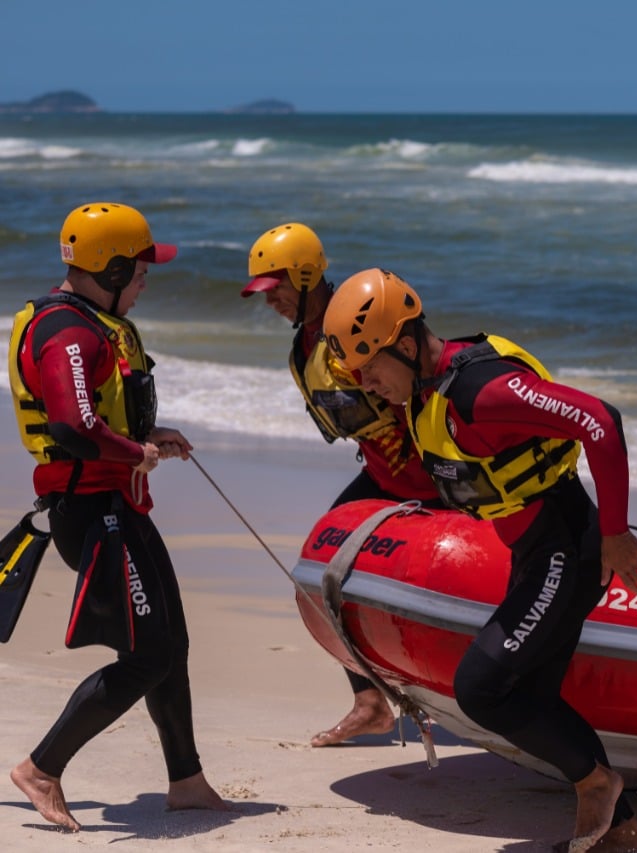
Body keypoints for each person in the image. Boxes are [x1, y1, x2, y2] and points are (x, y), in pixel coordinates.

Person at [322, 268, 637, 852]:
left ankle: (599, 783)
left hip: (564, 549)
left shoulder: (483, 390)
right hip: (536, 555)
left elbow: (600, 422)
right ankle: (621, 835)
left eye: (372, 372)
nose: (370, 386)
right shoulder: (429, 393)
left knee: (484, 689)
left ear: (404, 345)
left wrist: (615, 533)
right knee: (533, 697)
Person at [6, 202, 229, 830]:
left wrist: (150, 432)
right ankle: (41, 769)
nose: (145, 280)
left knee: (172, 643)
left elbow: (94, 414)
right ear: (110, 269)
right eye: (139, 270)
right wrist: (138, 452)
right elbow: (72, 425)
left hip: (118, 503)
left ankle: (186, 780)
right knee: (148, 653)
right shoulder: (70, 332)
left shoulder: (91, 320)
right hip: (91, 511)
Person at [243, 222, 444, 748]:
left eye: (277, 289)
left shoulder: (359, 325)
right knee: (317, 577)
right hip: (379, 477)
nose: (272, 302)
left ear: (306, 275)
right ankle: (371, 701)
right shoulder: (303, 346)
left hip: (433, 482)